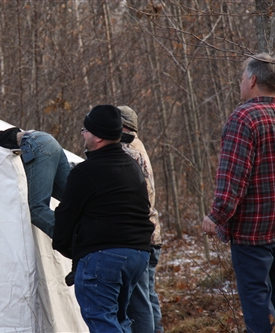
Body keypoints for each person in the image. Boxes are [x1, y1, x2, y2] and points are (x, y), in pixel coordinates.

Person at [202, 53, 275, 333]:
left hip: (251, 233)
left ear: (252, 80)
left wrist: (216, 216)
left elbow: (233, 177)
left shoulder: (244, 118)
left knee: (256, 302)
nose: (240, 83)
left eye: (242, 77)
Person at [52, 105, 154, 332]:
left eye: (85, 130)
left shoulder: (85, 172)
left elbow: (65, 218)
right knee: (120, 320)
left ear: (98, 137)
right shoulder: (132, 166)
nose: (83, 134)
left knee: (102, 321)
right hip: (138, 254)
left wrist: (69, 248)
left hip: (104, 258)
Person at [119, 105, 163, 333]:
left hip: (142, 236)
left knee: (139, 304)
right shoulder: (138, 145)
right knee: (149, 297)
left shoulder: (127, 149)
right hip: (152, 233)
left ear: (123, 126)